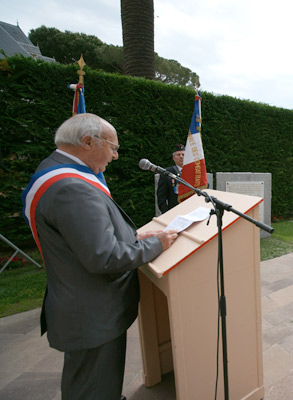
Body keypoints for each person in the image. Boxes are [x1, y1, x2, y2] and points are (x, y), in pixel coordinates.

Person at [21, 113, 178, 400]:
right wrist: (158, 244)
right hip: (92, 314)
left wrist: (132, 238)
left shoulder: (53, 169)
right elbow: (104, 257)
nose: (115, 156)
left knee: (89, 384)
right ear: (88, 141)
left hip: (83, 307)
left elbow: (81, 240)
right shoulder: (72, 188)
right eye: (113, 147)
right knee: (94, 389)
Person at [157, 144, 185, 213]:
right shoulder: (167, 173)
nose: (181, 157)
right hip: (174, 212)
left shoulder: (193, 171)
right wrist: (167, 213)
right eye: (178, 155)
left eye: (183, 155)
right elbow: (161, 197)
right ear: (173, 158)